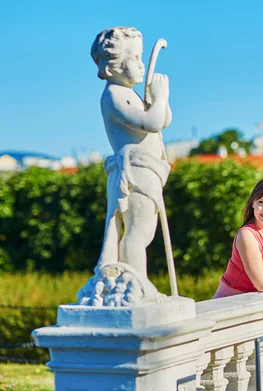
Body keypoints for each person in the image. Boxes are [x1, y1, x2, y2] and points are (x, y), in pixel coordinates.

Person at [90, 27, 172, 277]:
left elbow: (163, 119)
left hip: (145, 172)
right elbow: (152, 122)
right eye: (135, 59)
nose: (140, 65)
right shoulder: (114, 96)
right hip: (133, 174)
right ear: (114, 65)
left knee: (144, 232)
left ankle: (135, 284)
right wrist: (160, 97)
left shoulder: (128, 93)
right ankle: (135, 286)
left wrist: (158, 100)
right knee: (137, 233)